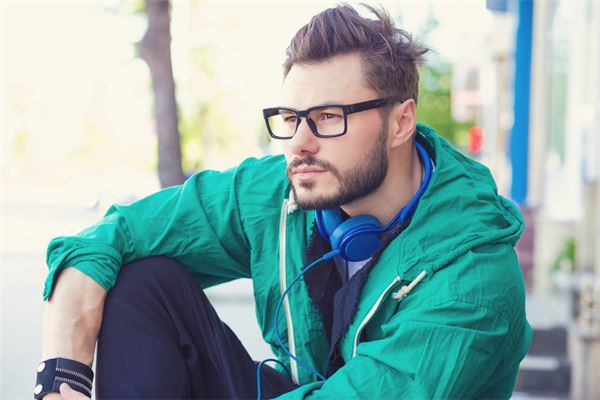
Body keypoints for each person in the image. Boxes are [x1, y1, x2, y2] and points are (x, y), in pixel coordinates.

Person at [36, 3, 532, 400]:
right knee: (143, 281)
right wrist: (62, 378)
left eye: (329, 116)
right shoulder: (281, 193)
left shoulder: (473, 280)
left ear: (401, 122)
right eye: (291, 118)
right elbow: (102, 241)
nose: (299, 143)